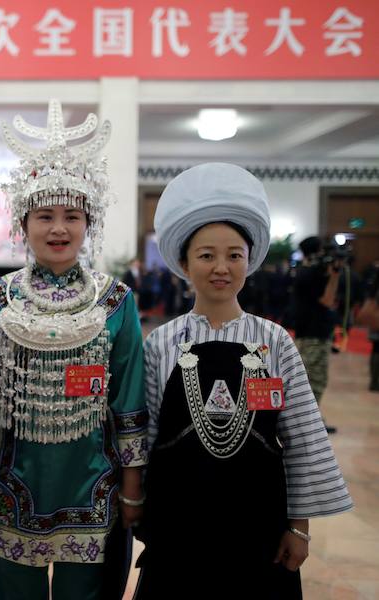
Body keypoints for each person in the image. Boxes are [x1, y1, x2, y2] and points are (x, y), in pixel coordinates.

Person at [138, 163, 353, 599]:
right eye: (206, 255)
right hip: (178, 524)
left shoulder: (274, 341)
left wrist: (299, 527)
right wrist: (138, 509)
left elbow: (302, 437)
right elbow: (145, 436)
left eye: (234, 255)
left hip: (260, 528)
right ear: (184, 263)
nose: (221, 267)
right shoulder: (161, 342)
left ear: (249, 262)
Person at [0, 100, 147, 600]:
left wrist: (134, 489)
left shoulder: (116, 301)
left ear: (89, 223)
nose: (58, 228)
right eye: (44, 215)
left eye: (72, 216)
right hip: (11, 483)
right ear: (23, 223)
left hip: (95, 483)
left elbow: (129, 402)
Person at [292, 236, 341, 433]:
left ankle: (311, 419)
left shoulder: (306, 272)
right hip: (313, 335)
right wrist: (334, 276)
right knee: (315, 380)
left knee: (313, 379)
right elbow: (328, 300)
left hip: (311, 332)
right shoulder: (310, 274)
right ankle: (307, 422)